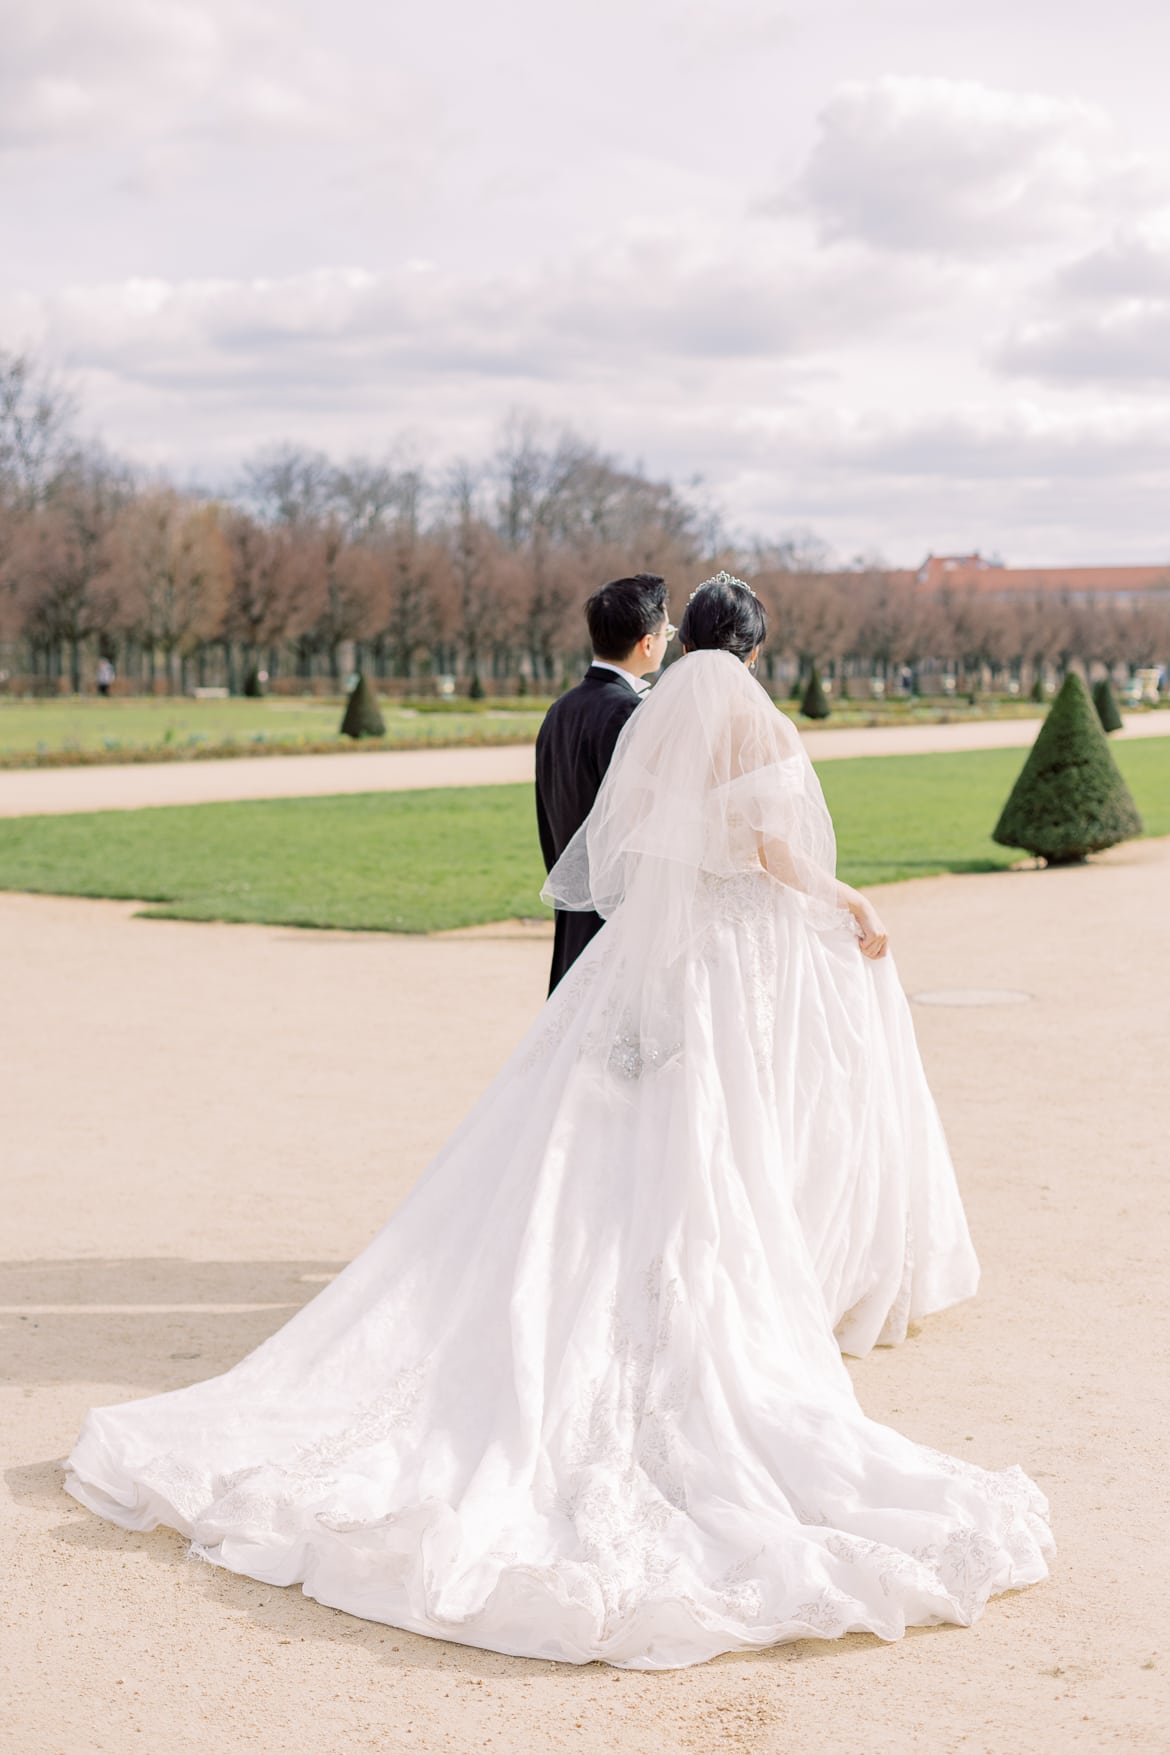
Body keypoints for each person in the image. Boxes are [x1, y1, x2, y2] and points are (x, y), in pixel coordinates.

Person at [64, 571, 1051, 1670]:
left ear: (689, 641)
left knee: (620, 1140)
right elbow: (776, 855)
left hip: (645, 965)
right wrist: (852, 902)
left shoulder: (655, 720)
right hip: (729, 962)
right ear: (756, 650)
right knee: (717, 1137)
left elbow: (623, 858)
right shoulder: (748, 721)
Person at [535, 573, 672, 992]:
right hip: (614, 922)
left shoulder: (560, 710)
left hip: (573, 913)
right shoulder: (629, 714)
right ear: (647, 643)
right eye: (667, 630)